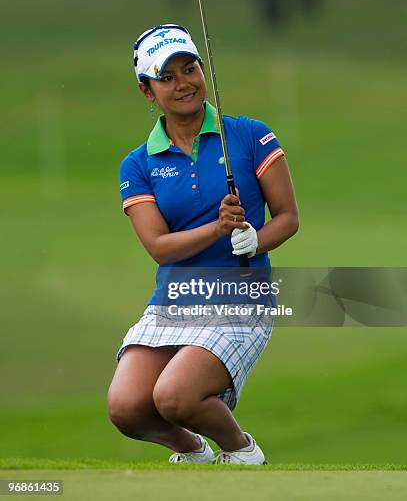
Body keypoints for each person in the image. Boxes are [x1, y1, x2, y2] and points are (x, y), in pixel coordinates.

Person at [107, 24, 299, 464]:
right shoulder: (138, 164)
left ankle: (243, 453)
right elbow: (158, 246)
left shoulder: (250, 135)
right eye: (167, 77)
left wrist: (255, 239)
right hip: (173, 300)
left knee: (175, 396)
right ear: (147, 91)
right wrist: (217, 229)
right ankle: (193, 451)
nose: (183, 84)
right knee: (126, 407)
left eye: (189, 69)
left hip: (240, 298)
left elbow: (288, 218)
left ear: (201, 69)